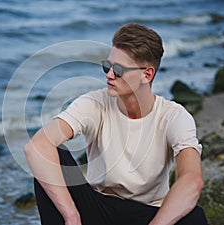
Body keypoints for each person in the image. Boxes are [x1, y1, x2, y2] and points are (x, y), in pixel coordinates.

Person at [23, 23, 208, 225]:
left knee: (194, 218)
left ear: (147, 75)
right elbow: (36, 147)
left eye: (118, 70)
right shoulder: (94, 103)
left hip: (147, 214)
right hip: (97, 207)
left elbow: (192, 180)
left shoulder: (174, 117)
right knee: (51, 157)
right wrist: (71, 216)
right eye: (107, 66)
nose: (109, 75)